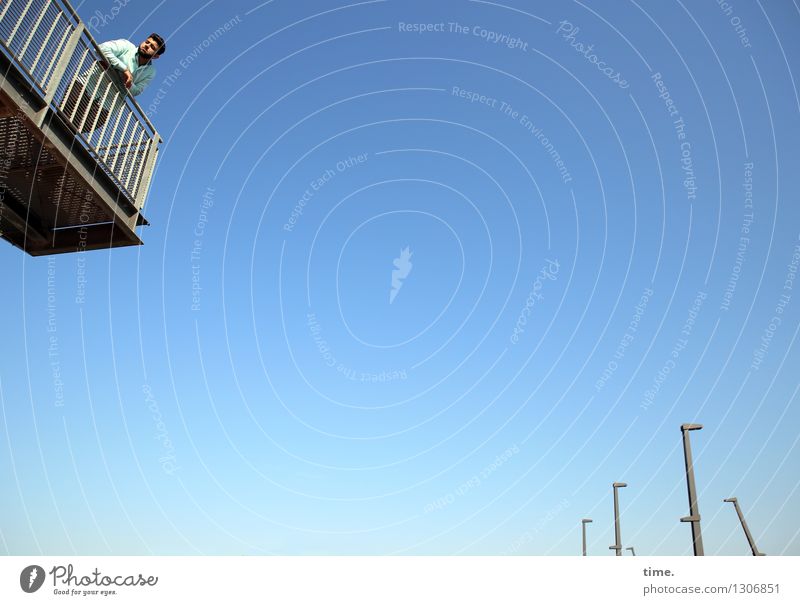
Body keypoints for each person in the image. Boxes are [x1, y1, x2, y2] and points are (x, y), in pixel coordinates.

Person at [64, 34, 166, 133]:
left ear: (156, 56)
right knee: (64, 114)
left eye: (152, 47)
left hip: (107, 104)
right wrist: (124, 69)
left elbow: (137, 91)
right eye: (147, 42)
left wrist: (128, 82)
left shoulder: (151, 72)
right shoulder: (126, 46)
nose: (147, 46)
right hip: (87, 85)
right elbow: (101, 49)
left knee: (80, 127)